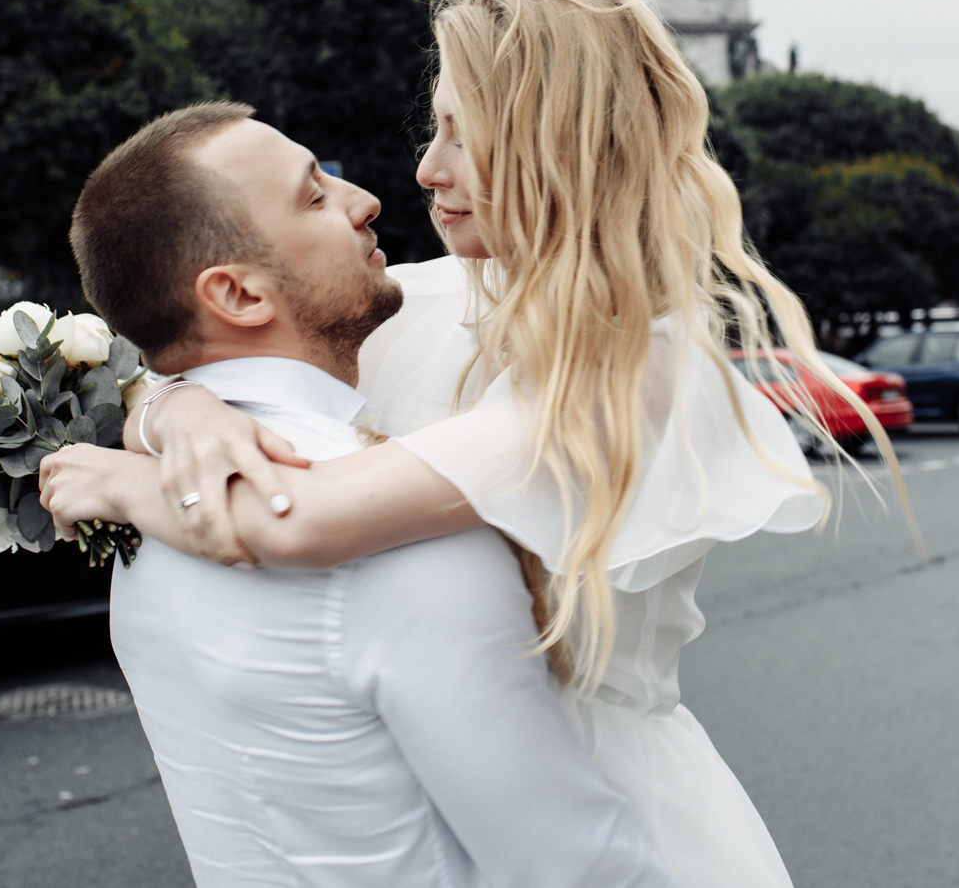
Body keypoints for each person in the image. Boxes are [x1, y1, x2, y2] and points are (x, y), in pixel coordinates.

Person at [45, 0, 916, 887]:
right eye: (434, 128)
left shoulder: (637, 368)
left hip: (614, 799)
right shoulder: (421, 298)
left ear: (556, 148)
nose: (423, 169)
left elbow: (290, 517)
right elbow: (207, 340)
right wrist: (177, 406)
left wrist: (117, 480)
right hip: (444, 775)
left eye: (463, 134)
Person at [40, 102, 677, 888]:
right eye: (314, 196)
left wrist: (169, 407)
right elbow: (580, 868)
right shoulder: (401, 538)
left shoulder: (151, 515)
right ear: (237, 295)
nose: (366, 199)